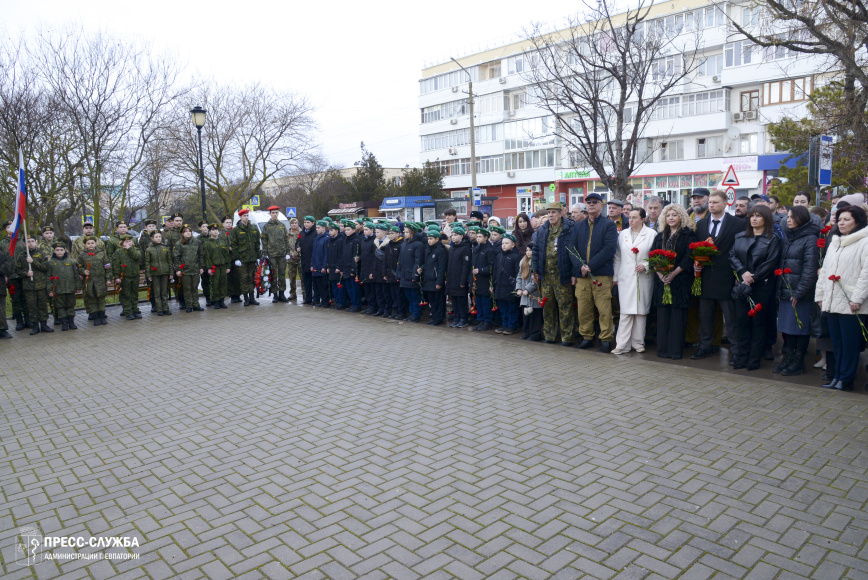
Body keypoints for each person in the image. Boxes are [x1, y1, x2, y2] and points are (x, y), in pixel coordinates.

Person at [815, 205, 868, 391]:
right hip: (832, 301)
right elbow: (825, 272)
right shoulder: (836, 242)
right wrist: (820, 295)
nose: (841, 222)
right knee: (837, 344)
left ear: (858, 221)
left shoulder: (864, 242)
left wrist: (857, 298)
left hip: (852, 304)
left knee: (850, 345)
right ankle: (837, 376)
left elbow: (866, 274)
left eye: (847, 219)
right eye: (839, 219)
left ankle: (846, 380)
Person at [692, 190, 745, 361]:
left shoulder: (737, 224)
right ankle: (705, 345)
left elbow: (741, 250)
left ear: (725, 204)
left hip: (728, 277)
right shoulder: (701, 225)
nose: (712, 205)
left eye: (715, 202)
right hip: (706, 277)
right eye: (710, 202)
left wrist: (739, 275)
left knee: (730, 318)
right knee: (705, 316)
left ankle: (736, 350)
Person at [729, 205, 782, 370]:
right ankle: (740, 358)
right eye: (752, 216)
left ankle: (754, 360)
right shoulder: (740, 236)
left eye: (758, 216)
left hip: (761, 286)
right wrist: (743, 272)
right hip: (742, 285)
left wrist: (752, 277)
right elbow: (732, 256)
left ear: (765, 219)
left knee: (758, 323)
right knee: (741, 322)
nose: (754, 219)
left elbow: (771, 263)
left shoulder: (773, 239)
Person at [772, 205, 820, 376]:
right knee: (788, 328)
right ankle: (788, 359)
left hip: (800, 294)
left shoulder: (810, 239)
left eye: (792, 217)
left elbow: (809, 271)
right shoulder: (789, 237)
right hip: (787, 291)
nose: (788, 220)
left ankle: (798, 362)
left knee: (800, 329)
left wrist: (798, 293)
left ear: (802, 219)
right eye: (788, 217)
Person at [570, 193, 618, 352]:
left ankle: (605, 339)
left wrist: (590, 266)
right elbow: (572, 250)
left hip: (601, 274)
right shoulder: (577, 226)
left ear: (601, 205)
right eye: (589, 202)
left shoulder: (609, 225)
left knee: (604, 309)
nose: (591, 205)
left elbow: (609, 249)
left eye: (595, 202)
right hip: (582, 276)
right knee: (584, 309)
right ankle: (587, 337)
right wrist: (580, 267)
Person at [651, 204, 698, 359]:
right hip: (662, 281)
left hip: (680, 281)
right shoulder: (660, 235)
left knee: (678, 317)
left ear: (681, 217)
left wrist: (673, 274)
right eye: (668, 215)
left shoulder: (688, 234)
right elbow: (652, 257)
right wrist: (660, 274)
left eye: (674, 215)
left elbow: (688, 258)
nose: (671, 218)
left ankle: (675, 351)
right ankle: (662, 350)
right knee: (663, 317)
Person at [612, 208, 655, 354]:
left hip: (643, 277)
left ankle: (638, 343)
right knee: (625, 312)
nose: (631, 220)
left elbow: (655, 256)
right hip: (625, 277)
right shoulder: (623, 234)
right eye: (629, 217)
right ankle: (622, 344)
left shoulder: (651, 234)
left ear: (643, 219)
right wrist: (615, 277)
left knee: (641, 312)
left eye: (635, 217)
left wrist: (646, 265)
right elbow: (617, 256)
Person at [532, 202, 575, 346]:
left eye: (554, 212)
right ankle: (550, 335)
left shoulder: (569, 228)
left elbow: (575, 252)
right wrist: (536, 270)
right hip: (546, 276)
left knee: (565, 306)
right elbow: (536, 251)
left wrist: (573, 273)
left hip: (562, 275)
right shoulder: (542, 230)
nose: (550, 215)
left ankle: (567, 337)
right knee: (548, 305)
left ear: (561, 213)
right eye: (548, 212)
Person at [18, 235, 52, 335]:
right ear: (24, 244)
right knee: (32, 306)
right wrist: (26, 274)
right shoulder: (21, 255)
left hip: (40, 284)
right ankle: (35, 326)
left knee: (42, 305)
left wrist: (33, 262)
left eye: (32, 241)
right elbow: (17, 270)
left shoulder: (41, 254)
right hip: (29, 286)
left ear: (36, 242)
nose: (30, 243)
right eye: (28, 242)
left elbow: (45, 267)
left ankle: (44, 325)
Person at [1, 220, 31, 331]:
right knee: (16, 299)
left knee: (26, 298)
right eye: (9, 227)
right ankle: (19, 321)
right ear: (6, 229)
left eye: (13, 226)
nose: (11, 229)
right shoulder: (2, 243)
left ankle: (28, 320)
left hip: (23, 274)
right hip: (11, 275)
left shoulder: (23, 241)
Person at [230, 209, 262, 306]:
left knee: (251, 278)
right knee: (244, 278)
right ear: (240, 217)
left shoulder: (253, 228)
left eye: (247, 215)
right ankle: (246, 298)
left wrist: (258, 256)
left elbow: (257, 243)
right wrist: (236, 259)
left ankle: (252, 298)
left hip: (252, 258)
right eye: (244, 216)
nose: (246, 217)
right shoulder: (236, 230)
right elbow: (234, 245)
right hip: (242, 259)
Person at [77, 236, 111, 325]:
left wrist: (108, 278)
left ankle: (102, 316)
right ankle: (95, 316)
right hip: (89, 281)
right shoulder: (82, 255)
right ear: (85, 245)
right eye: (88, 243)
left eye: (92, 243)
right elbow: (78, 267)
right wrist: (83, 271)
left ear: (96, 244)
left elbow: (107, 267)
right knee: (92, 299)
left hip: (100, 280)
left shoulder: (102, 253)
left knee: (101, 299)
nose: (90, 245)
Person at [260, 206, 291, 303]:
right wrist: (265, 253)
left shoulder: (282, 225)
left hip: (281, 254)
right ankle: (275, 294)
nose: (275, 214)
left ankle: (282, 294)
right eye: (273, 213)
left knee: (282, 274)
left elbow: (286, 239)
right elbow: (264, 240)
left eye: (276, 213)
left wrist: (287, 252)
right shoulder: (266, 226)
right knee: (273, 274)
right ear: (270, 214)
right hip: (271, 254)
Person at [47, 241, 79, 331]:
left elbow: (76, 275)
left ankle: (71, 322)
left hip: (70, 288)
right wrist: (50, 290)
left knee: (70, 305)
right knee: (60, 306)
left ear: (65, 251)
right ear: (54, 251)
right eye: (57, 250)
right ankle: (64, 323)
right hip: (58, 288)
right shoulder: (51, 263)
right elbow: (48, 277)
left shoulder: (71, 262)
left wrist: (78, 287)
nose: (60, 252)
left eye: (61, 250)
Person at [493, 233, 521, 334]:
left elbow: (518, 272)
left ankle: (512, 325)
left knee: (512, 308)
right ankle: (504, 324)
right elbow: (495, 271)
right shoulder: (499, 255)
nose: (503, 245)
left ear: (513, 245)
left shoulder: (516, 256)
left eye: (506, 243)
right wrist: (493, 284)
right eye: (503, 243)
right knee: (503, 307)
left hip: (510, 287)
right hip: (500, 286)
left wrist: (516, 287)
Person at [398, 222, 426, 322]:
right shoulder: (404, 244)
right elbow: (400, 260)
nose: (404, 234)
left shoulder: (418, 244)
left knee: (415, 296)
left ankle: (416, 314)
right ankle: (411, 313)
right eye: (404, 232)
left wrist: (415, 275)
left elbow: (418, 261)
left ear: (412, 232)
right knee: (408, 296)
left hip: (412, 275)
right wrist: (399, 273)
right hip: (404, 275)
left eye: (407, 232)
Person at [173, 225, 205, 312]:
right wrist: (178, 269)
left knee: (194, 287)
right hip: (185, 270)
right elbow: (177, 257)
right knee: (187, 288)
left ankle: (196, 304)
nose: (188, 233)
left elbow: (201, 255)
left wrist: (201, 267)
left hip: (195, 269)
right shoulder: (179, 244)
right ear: (182, 234)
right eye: (186, 231)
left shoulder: (197, 242)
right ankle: (189, 305)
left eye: (189, 231)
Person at [470, 227, 496, 331]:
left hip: (485, 281)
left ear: (486, 238)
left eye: (480, 237)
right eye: (477, 236)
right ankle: (480, 320)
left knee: (485, 302)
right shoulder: (476, 249)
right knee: (478, 302)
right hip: (477, 280)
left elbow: (491, 266)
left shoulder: (489, 250)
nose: (478, 238)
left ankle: (487, 321)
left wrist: (480, 270)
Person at [111, 234, 142, 320]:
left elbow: (137, 257)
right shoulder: (119, 252)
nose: (128, 243)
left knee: (134, 294)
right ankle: (128, 311)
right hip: (124, 276)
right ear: (122, 243)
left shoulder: (136, 250)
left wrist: (130, 249)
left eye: (129, 241)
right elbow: (116, 265)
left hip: (135, 275)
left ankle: (135, 310)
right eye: (126, 242)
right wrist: (117, 276)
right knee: (126, 294)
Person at [446, 225, 472, 328]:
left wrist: (463, 280)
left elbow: (466, 266)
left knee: (461, 300)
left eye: (455, 235)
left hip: (460, 279)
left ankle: (463, 319)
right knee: (454, 300)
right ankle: (456, 317)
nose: (453, 237)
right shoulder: (452, 248)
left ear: (461, 236)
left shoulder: (465, 248)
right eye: (452, 235)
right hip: (452, 279)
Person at [420, 228, 447, 326]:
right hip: (428, 279)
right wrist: (422, 268)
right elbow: (427, 263)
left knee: (438, 301)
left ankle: (438, 319)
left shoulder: (440, 250)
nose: (429, 240)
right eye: (428, 238)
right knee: (432, 301)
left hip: (435, 280)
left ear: (437, 239)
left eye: (431, 238)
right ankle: (434, 317)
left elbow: (441, 268)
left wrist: (439, 282)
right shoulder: (428, 248)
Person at [516, 242, 543, 341]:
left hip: (534, 294)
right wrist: (519, 288)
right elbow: (519, 276)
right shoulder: (523, 262)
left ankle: (535, 334)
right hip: (524, 294)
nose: (528, 252)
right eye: (527, 250)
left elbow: (537, 279)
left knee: (535, 315)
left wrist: (528, 289)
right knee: (526, 315)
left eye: (530, 250)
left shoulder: (537, 262)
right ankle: (526, 332)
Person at [144, 231, 172, 316]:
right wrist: (148, 275)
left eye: (159, 237)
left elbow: (169, 261)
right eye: (156, 237)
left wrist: (171, 272)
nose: (158, 238)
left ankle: (166, 308)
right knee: (157, 292)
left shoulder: (165, 248)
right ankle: (159, 309)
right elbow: (147, 263)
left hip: (165, 272)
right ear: (152, 238)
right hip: (155, 273)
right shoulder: (149, 249)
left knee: (164, 291)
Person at [203, 224, 230, 309]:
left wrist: (228, 266)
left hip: (223, 266)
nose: (215, 231)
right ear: (210, 231)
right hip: (214, 267)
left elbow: (227, 255)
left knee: (223, 284)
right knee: (215, 284)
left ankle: (222, 300)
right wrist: (209, 268)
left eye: (216, 229)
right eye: (213, 230)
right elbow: (207, 257)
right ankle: (216, 301)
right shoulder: (207, 243)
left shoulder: (222, 241)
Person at [340, 220, 362, 312]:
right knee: (348, 287)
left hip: (352, 268)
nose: (346, 232)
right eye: (345, 230)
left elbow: (355, 255)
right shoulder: (345, 240)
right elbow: (342, 254)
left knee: (354, 288)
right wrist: (341, 268)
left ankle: (356, 305)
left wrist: (354, 269)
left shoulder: (356, 240)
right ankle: (352, 303)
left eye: (348, 230)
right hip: (345, 267)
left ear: (353, 230)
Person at [386, 225, 406, 319]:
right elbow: (385, 260)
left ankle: (401, 312)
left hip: (397, 273)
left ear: (398, 234)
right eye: (390, 233)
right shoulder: (388, 244)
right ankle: (396, 310)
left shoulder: (401, 244)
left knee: (399, 294)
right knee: (393, 294)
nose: (391, 235)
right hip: (390, 273)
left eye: (393, 233)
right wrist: (384, 273)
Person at [222, 215, 242, 303]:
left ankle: (238, 294)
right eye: (227, 223)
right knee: (229, 278)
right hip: (227, 258)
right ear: (223, 224)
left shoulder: (234, 232)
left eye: (230, 222)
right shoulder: (221, 234)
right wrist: (228, 247)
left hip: (235, 257)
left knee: (237, 277)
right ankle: (232, 295)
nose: (229, 224)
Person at [358, 223, 377, 314]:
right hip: (364, 267)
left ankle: (373, 307)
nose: (364, 231)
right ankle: (369, 306)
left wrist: (372, 271)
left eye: (366, 230)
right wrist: (359, 257)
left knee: (372, 290)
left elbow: (374, 257)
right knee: (367, 290)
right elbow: (364, 253)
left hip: (370, 269)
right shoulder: (363, 240)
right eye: (364, 230)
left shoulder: (374, 241)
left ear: (372, 230)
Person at [310, 220, 330, 308]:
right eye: (316, 228)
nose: (317, 229)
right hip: (316, 265)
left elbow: (326, 254)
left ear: (324, 228)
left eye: (319, 228)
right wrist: (312, 264)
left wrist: (324, 266)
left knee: (324, 285)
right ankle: (320, 300)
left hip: (322, 265)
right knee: (317, 285)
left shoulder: (327, 238)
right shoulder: (316, 238)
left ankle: (325, 301)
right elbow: (313, 253)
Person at [298, 216, 317, 304]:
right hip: (304, 260)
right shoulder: (302, 233)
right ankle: (308, 298)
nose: (306, 224)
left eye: (308, 222)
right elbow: (297, 243)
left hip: (313, 261)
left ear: (313, 223)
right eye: (305, 222)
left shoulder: (315, 233)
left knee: (315, 282)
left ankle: (316, 298)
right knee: (306, 282)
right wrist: (297, 247)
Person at [326, 221, 344, 309]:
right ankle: (337, 302)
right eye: (329, 230)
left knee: (339, 286)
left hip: (337, 267)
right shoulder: (331, 240)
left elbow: (340, 255)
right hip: (331, 266)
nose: (330, 232)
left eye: (332, 230)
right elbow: (329, 255)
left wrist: (339, 267)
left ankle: (341, 302)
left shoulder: (340, 240)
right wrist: (328, 266)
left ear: (337, 231)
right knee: (334, 286)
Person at [196, 221, 212, 306]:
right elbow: (198, 253)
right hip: (204, 263)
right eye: (203, 226)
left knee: (213, 282)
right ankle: (208, 298)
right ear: (200, 228)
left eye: (207, 226)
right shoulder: (198, 239)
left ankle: (214, 298)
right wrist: (201, 265)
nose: (206, 228)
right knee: (205, 282)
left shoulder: (212, 236)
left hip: (212, 262)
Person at [287, 217, 301, 300]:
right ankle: (292, 293)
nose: (294, 224)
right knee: (292, 277)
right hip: (290, 259)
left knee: (302, 277)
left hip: (300, 258)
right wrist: (290, 253)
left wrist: (296, 253)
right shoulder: (287, 234)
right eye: (292, 223)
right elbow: (285, 245)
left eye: (295, 223)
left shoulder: (301, 233)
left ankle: (305, 293)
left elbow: (303, 244)